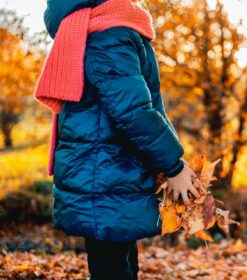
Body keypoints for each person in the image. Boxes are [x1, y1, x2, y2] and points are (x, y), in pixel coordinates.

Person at [35, 0, 199, 279]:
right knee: (112, 268)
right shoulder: (109, 33)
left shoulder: (95, 27)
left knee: (117, 264)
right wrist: (174, 166)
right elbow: (133, 111)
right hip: (107, 171)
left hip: (107, 171)